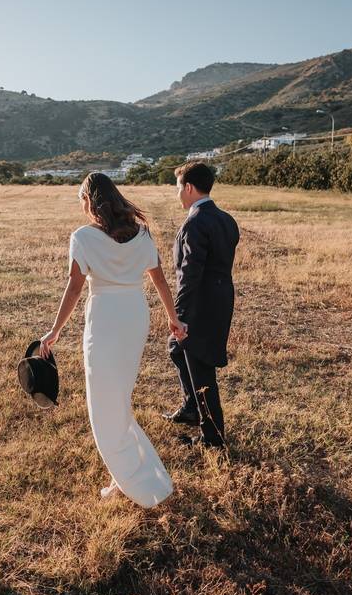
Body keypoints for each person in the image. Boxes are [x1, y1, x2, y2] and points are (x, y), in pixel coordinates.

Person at [39, 172, 182, 508]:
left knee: (104, 406)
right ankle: (126, 476)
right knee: (118, 398)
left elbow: (75, 287)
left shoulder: (83, 237)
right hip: (133, 315)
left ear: (89, 201)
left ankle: (135, 483)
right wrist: (173, 319)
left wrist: (55, 330)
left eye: (82, 202)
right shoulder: (141, 233)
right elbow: (160, 280)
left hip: (104, 317)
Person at [162, 162, 240, 449]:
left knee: (201, 367)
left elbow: (189, 274)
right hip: (222, 298)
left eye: (178, 188)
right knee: (178, 350)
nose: (177, 194)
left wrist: (178, 316)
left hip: (200, 303)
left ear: (189, 188)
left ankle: (213, 438)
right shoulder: (226, 219)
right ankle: (191, 407)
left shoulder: (195, 223)